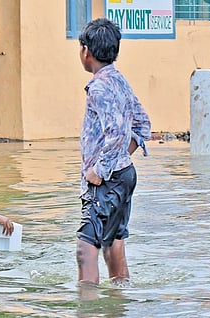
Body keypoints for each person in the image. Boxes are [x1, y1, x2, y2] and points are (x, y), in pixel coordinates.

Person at [76, 18, 151, 286]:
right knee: (114, 241)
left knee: (86, 247)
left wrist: (101, 169)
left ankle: (88, 308)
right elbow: (143, 124)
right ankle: (120, 299)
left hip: (107, 179)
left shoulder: (98, 87)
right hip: (124, 174)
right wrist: (121, 157)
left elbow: (117, 131)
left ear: (86, 51)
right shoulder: (119, 80)